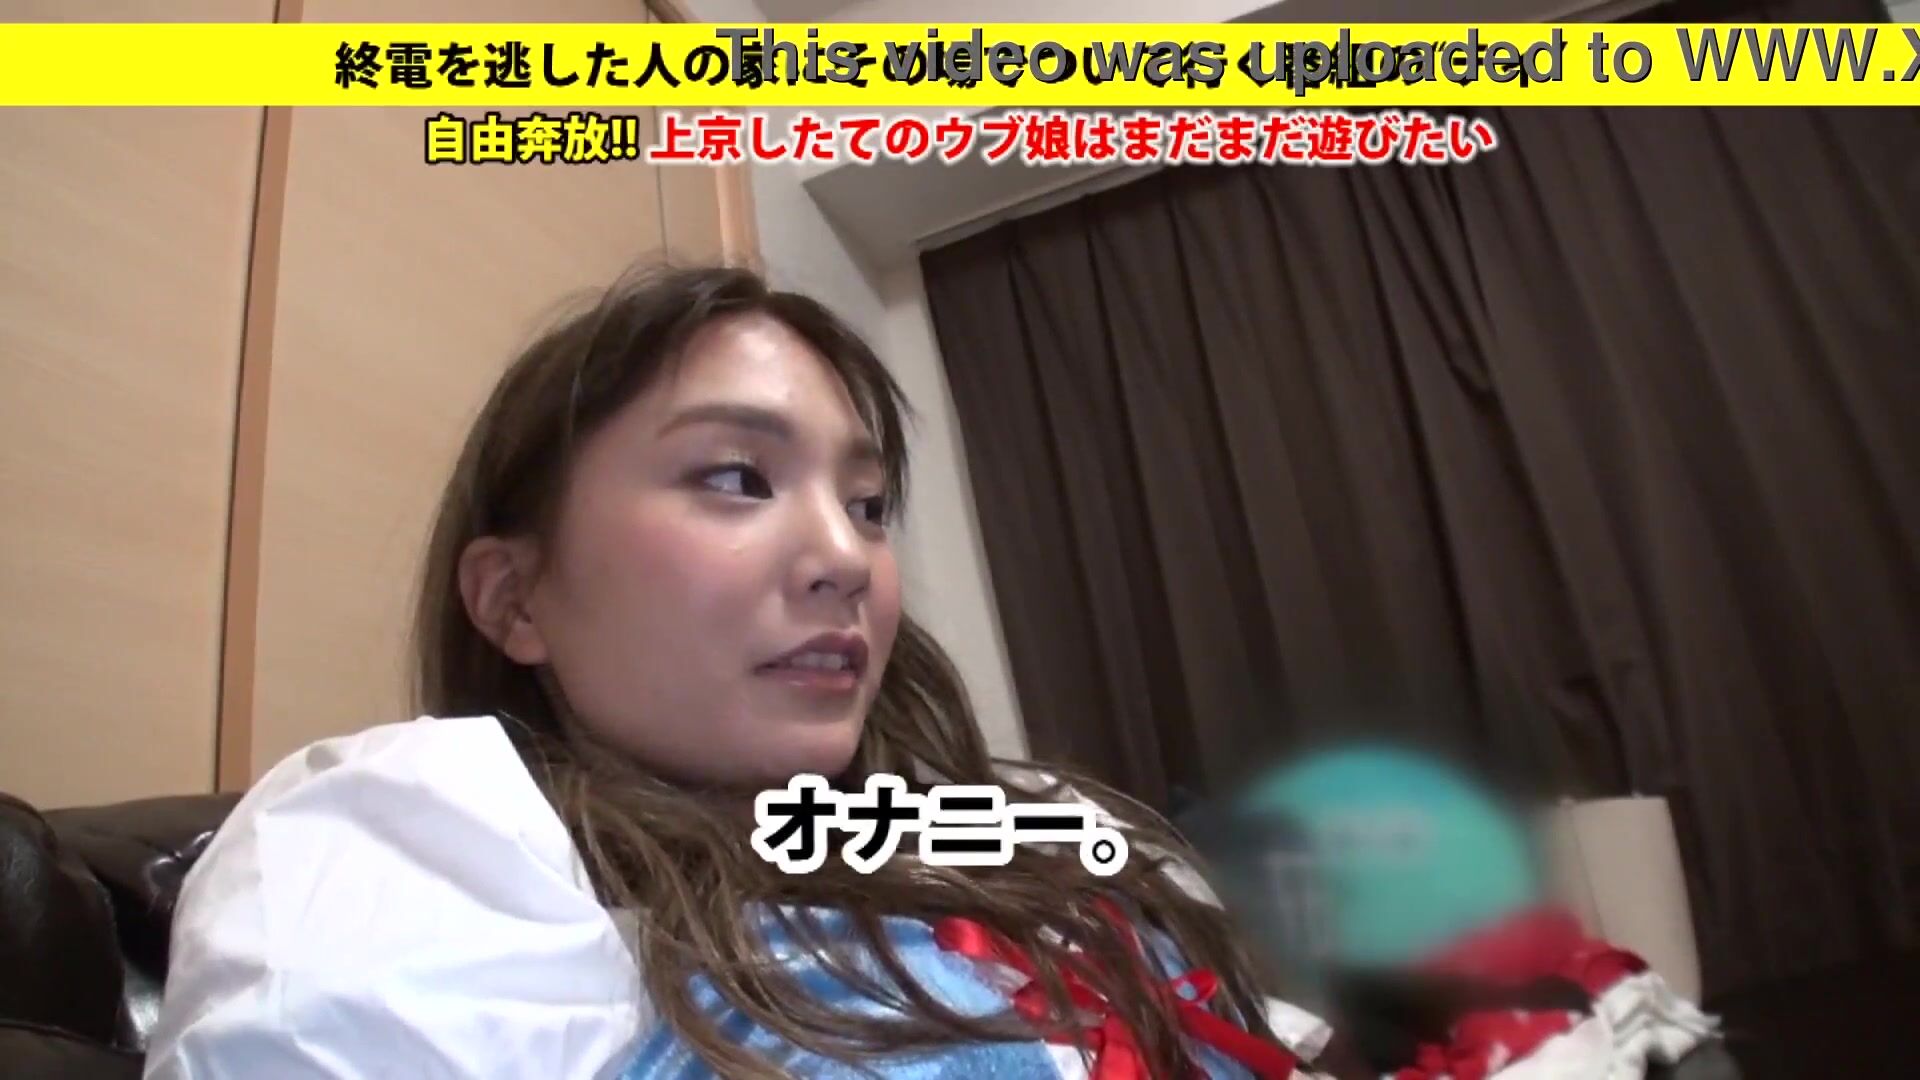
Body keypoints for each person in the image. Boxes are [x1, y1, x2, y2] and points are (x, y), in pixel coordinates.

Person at [141, 264, 1333, 1080]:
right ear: (515, 599)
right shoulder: (408, 830)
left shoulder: (989, 816)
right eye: (735, 478)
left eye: (868, 505)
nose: (845, 559)